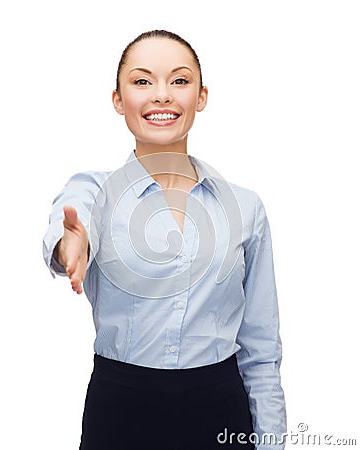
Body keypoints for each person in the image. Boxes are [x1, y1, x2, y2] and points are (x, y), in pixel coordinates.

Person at [43, 30, 287, 450]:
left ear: (201, 96)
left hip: (221, 411)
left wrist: (272, 441)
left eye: (179, 80)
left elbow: (261, 349)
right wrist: (71, 244)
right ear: (118, 100)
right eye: (142, 81)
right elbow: (72, 224)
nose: (162, 95)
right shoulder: (94, 191)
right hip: (120, 412)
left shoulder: (245, 208)